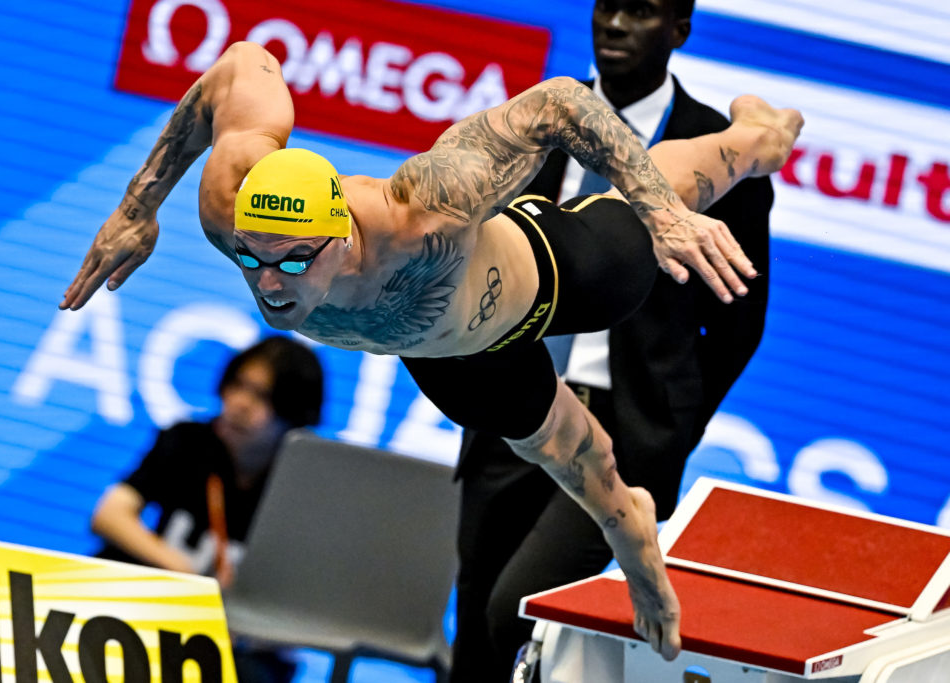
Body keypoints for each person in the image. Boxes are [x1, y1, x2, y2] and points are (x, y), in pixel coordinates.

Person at [62, 40, 802, 661]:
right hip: (451, 357)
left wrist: (661, 211)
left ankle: (754, 137)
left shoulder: (424, 210)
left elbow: (558, 105)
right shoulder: (231, 201)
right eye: (252, 258)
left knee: (651, 207)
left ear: (341, 235)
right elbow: (240, 67)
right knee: (572, 454)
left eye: (294, 262)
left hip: (550, 276)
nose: (270, 284)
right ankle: (629, 519)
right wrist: (136, 209)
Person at [452, 0, 776, 678]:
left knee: (519, 613)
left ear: (680, 30)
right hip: (517, 410)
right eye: (606, 5)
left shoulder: (712, 146)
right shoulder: (535, 123)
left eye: (643, 9)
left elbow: (738, 319)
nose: (616, 23)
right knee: (477, 629)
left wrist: (672, 421)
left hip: (629, 438)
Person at [91, 335, 323, 683]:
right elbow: (109, 515)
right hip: (160, 611)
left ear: (293, 415)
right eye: (237, 385)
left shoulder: (308, 485)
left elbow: (310, 607)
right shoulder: (188, 441)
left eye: (261, 396)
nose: (240, 403)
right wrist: (183, 573)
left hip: (241, 645)